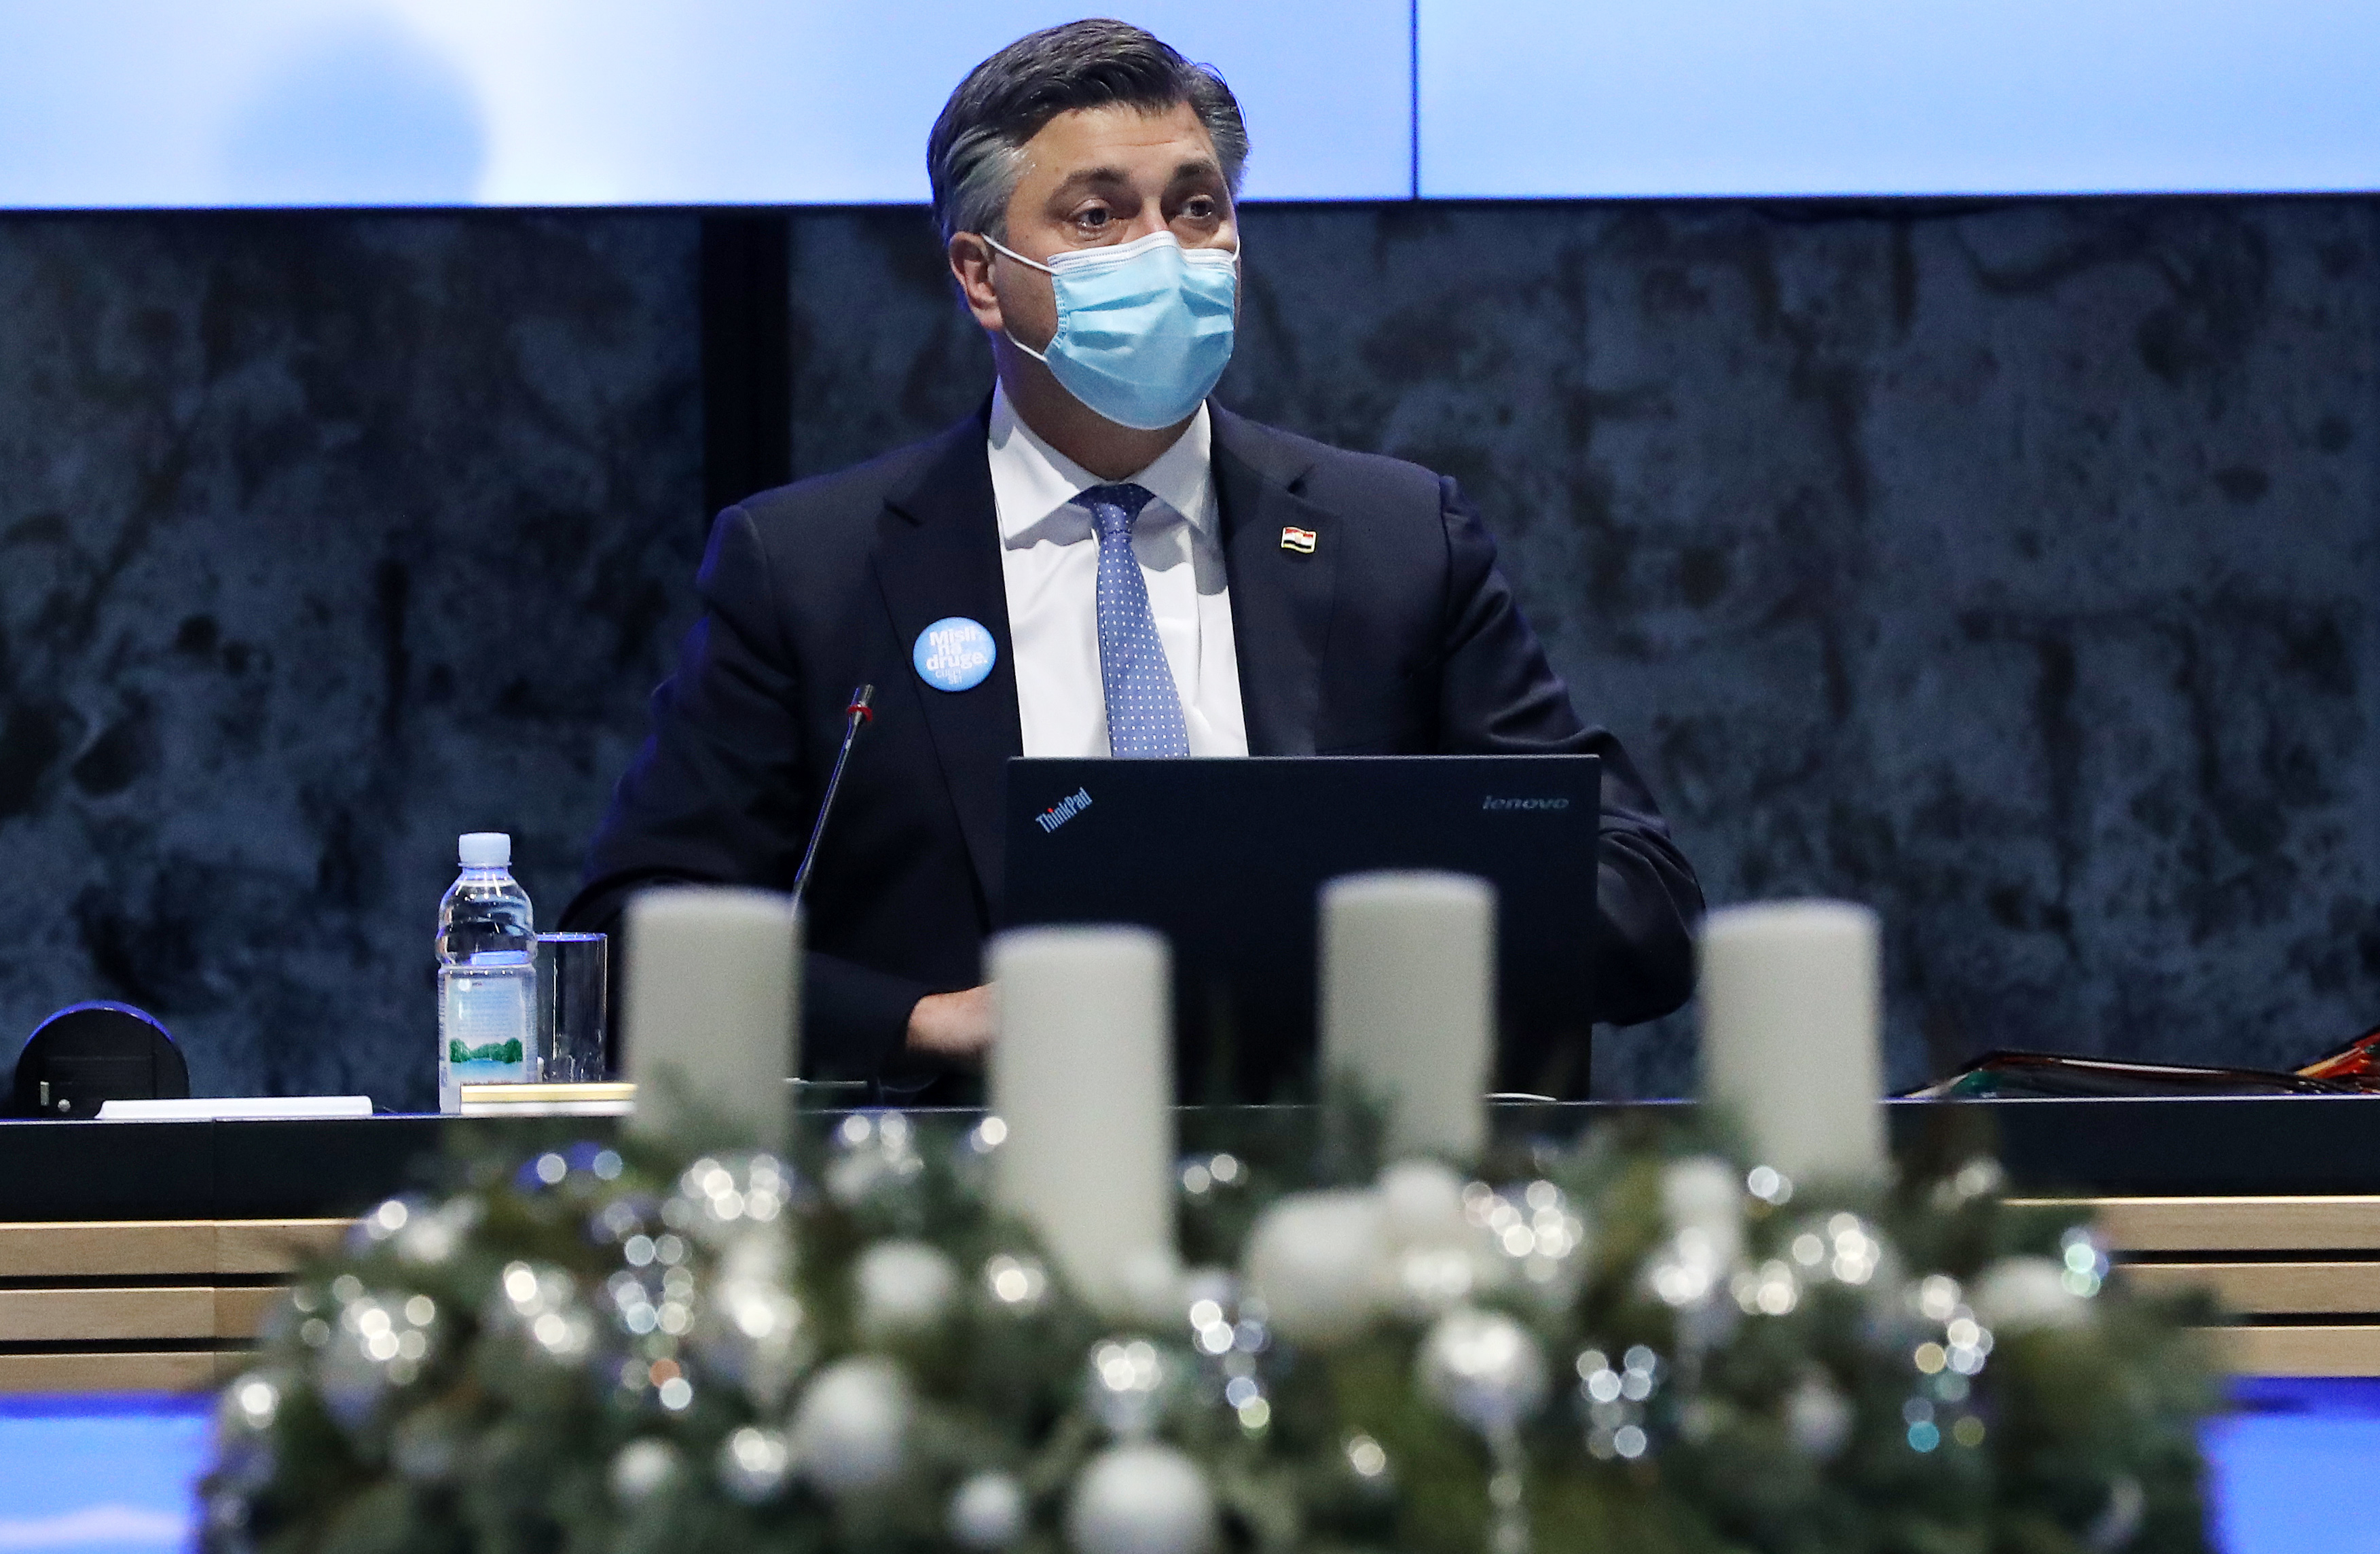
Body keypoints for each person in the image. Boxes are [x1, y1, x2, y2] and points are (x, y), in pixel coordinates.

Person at [564, 20, 1702, 1099]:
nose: (1166, 251)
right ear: (981, 275)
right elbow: (633, 943)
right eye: (1099, 216)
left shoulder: (1395, 537)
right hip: (969, 1176)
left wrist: (1372, 961)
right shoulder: (811, 567)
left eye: (1197, 207)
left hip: (1341, 1168)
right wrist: (925, 1020)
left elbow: (1638, 898)